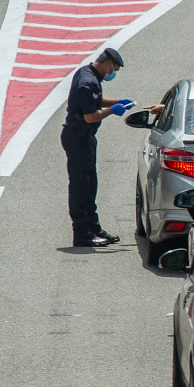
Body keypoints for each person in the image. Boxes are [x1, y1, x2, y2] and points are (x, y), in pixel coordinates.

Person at [61, 47, 135, 247]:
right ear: (109, 64)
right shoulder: (87, 81)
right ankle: (82, 234)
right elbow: (90, 115)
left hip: (85, 137)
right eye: (114, 69)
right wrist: (113, 110)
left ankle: (93, 227)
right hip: (78, 137)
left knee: (90, 184)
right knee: (80, 186)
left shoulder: (88, 74)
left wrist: (119, 102)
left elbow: (95, 100)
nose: (113, 74)